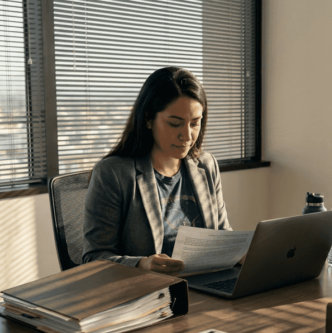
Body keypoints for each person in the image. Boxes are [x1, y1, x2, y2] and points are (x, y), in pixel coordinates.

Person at [83, 67, 231, 274]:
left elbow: (223, 235)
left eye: (195, 123)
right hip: (147, 290)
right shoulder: (114, 173)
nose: (187, 136)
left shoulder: (206, 166)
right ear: (148, 119)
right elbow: (94, 257)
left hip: (203, 283)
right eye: (174, 124)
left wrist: (240, 254)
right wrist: (141, 264)